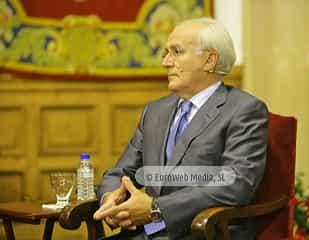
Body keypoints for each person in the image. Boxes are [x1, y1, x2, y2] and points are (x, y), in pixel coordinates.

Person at [93, 17, 268, 240]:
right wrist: (110, 198)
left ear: (209, 60)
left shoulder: (244, 110)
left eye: (176, 52)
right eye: (166, 53)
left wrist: (156, 208)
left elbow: (236, 183)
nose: (166, 62)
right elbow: (122, 172)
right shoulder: (155, 111)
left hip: (206, 232)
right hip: (151, 232)